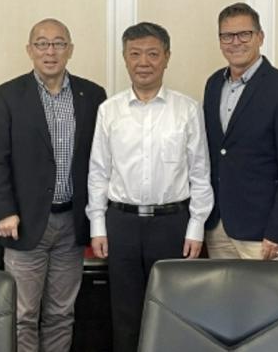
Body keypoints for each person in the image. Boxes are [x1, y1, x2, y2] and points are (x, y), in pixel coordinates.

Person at [87, 22, 214, 352]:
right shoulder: (109, 110)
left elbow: (200, 173)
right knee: (125, 315)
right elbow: (98, 172)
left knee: (172, 313)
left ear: (167, 58)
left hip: (172, 223)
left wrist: (196, 227)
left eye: (153, 54)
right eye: (135, 54)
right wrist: (98, 226)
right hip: (122, 224)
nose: (144, 62)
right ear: (125, 58)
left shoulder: (186, 110)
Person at [0, 18, 106, 352]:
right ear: (29, 50)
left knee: (62, 313)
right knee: (22, 314)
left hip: (71, 223)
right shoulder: (7, 96)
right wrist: (4, 211)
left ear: (70, 50)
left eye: (58, 43)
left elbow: (101, 160)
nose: (50, 51)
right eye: (42, 43)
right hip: (23, 223)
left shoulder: (92, 95)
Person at [203, 2, 278, 260]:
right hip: (218, 226)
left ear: (260, 37)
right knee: (220, 300)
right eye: (227, 36)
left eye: (244, 34)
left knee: (263, 301)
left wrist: (277, 231)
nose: (235, 42)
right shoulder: (214, 84)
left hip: (263, 232)